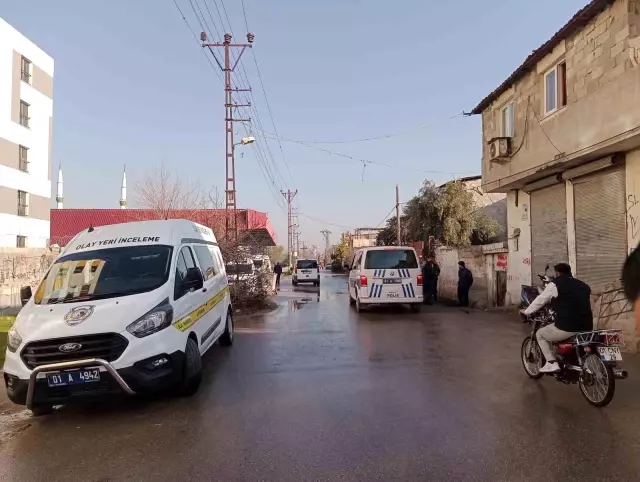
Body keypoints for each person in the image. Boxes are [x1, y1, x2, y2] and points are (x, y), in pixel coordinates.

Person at [521, 263, 592, 373]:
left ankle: (551, 363)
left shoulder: (555, 285)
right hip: (587, 325)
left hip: (568, 326)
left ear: (557, 273)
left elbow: (540, 300)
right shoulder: (584, 285)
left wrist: (526, 312)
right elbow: (572, 301)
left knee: (540, 334)